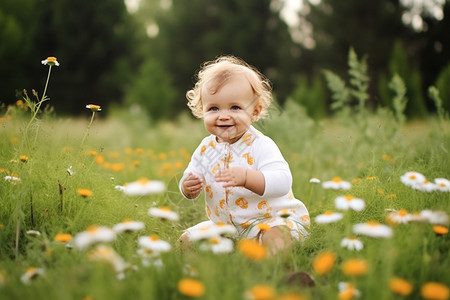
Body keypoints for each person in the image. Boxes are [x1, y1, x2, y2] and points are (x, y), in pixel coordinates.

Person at [179, 55, 310, 255]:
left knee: (275, 239)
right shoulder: (205, 149)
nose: (224, 115)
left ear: (255, 112)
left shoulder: (261, 145)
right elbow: (191, 175)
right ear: (201, 110)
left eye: (235, 107)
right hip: (227, 229)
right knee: (186, 240)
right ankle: (197, 271)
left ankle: (280, 272)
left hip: (270, 222)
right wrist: (188, 186)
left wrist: (247, 178)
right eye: (213, 108)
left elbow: (283, 181)